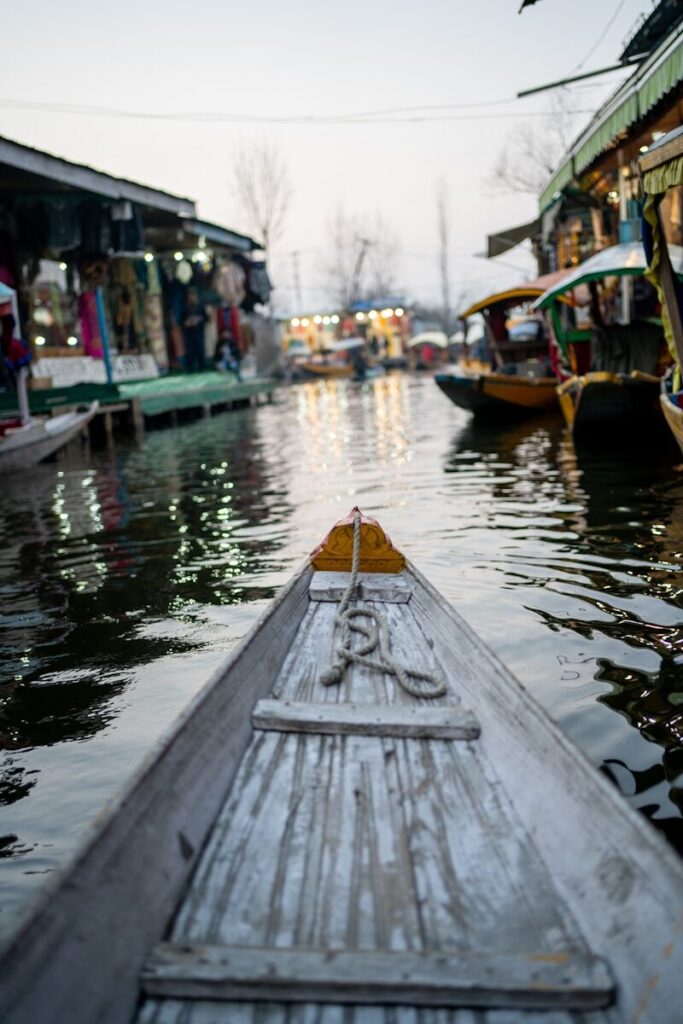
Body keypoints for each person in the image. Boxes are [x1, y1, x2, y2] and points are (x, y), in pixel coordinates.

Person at [181, 289, 208, 372]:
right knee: (190, 350)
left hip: (199, 332)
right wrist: (187, 322)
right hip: (189, 333)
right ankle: (190, 368)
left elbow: (206, 318)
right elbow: (182, 321)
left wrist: (199, 320)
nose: (192, 298)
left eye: (193, 296)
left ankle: (201, 367)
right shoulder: (185, 308)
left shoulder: (201, 307)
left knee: (200, 349)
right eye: (190, 296)